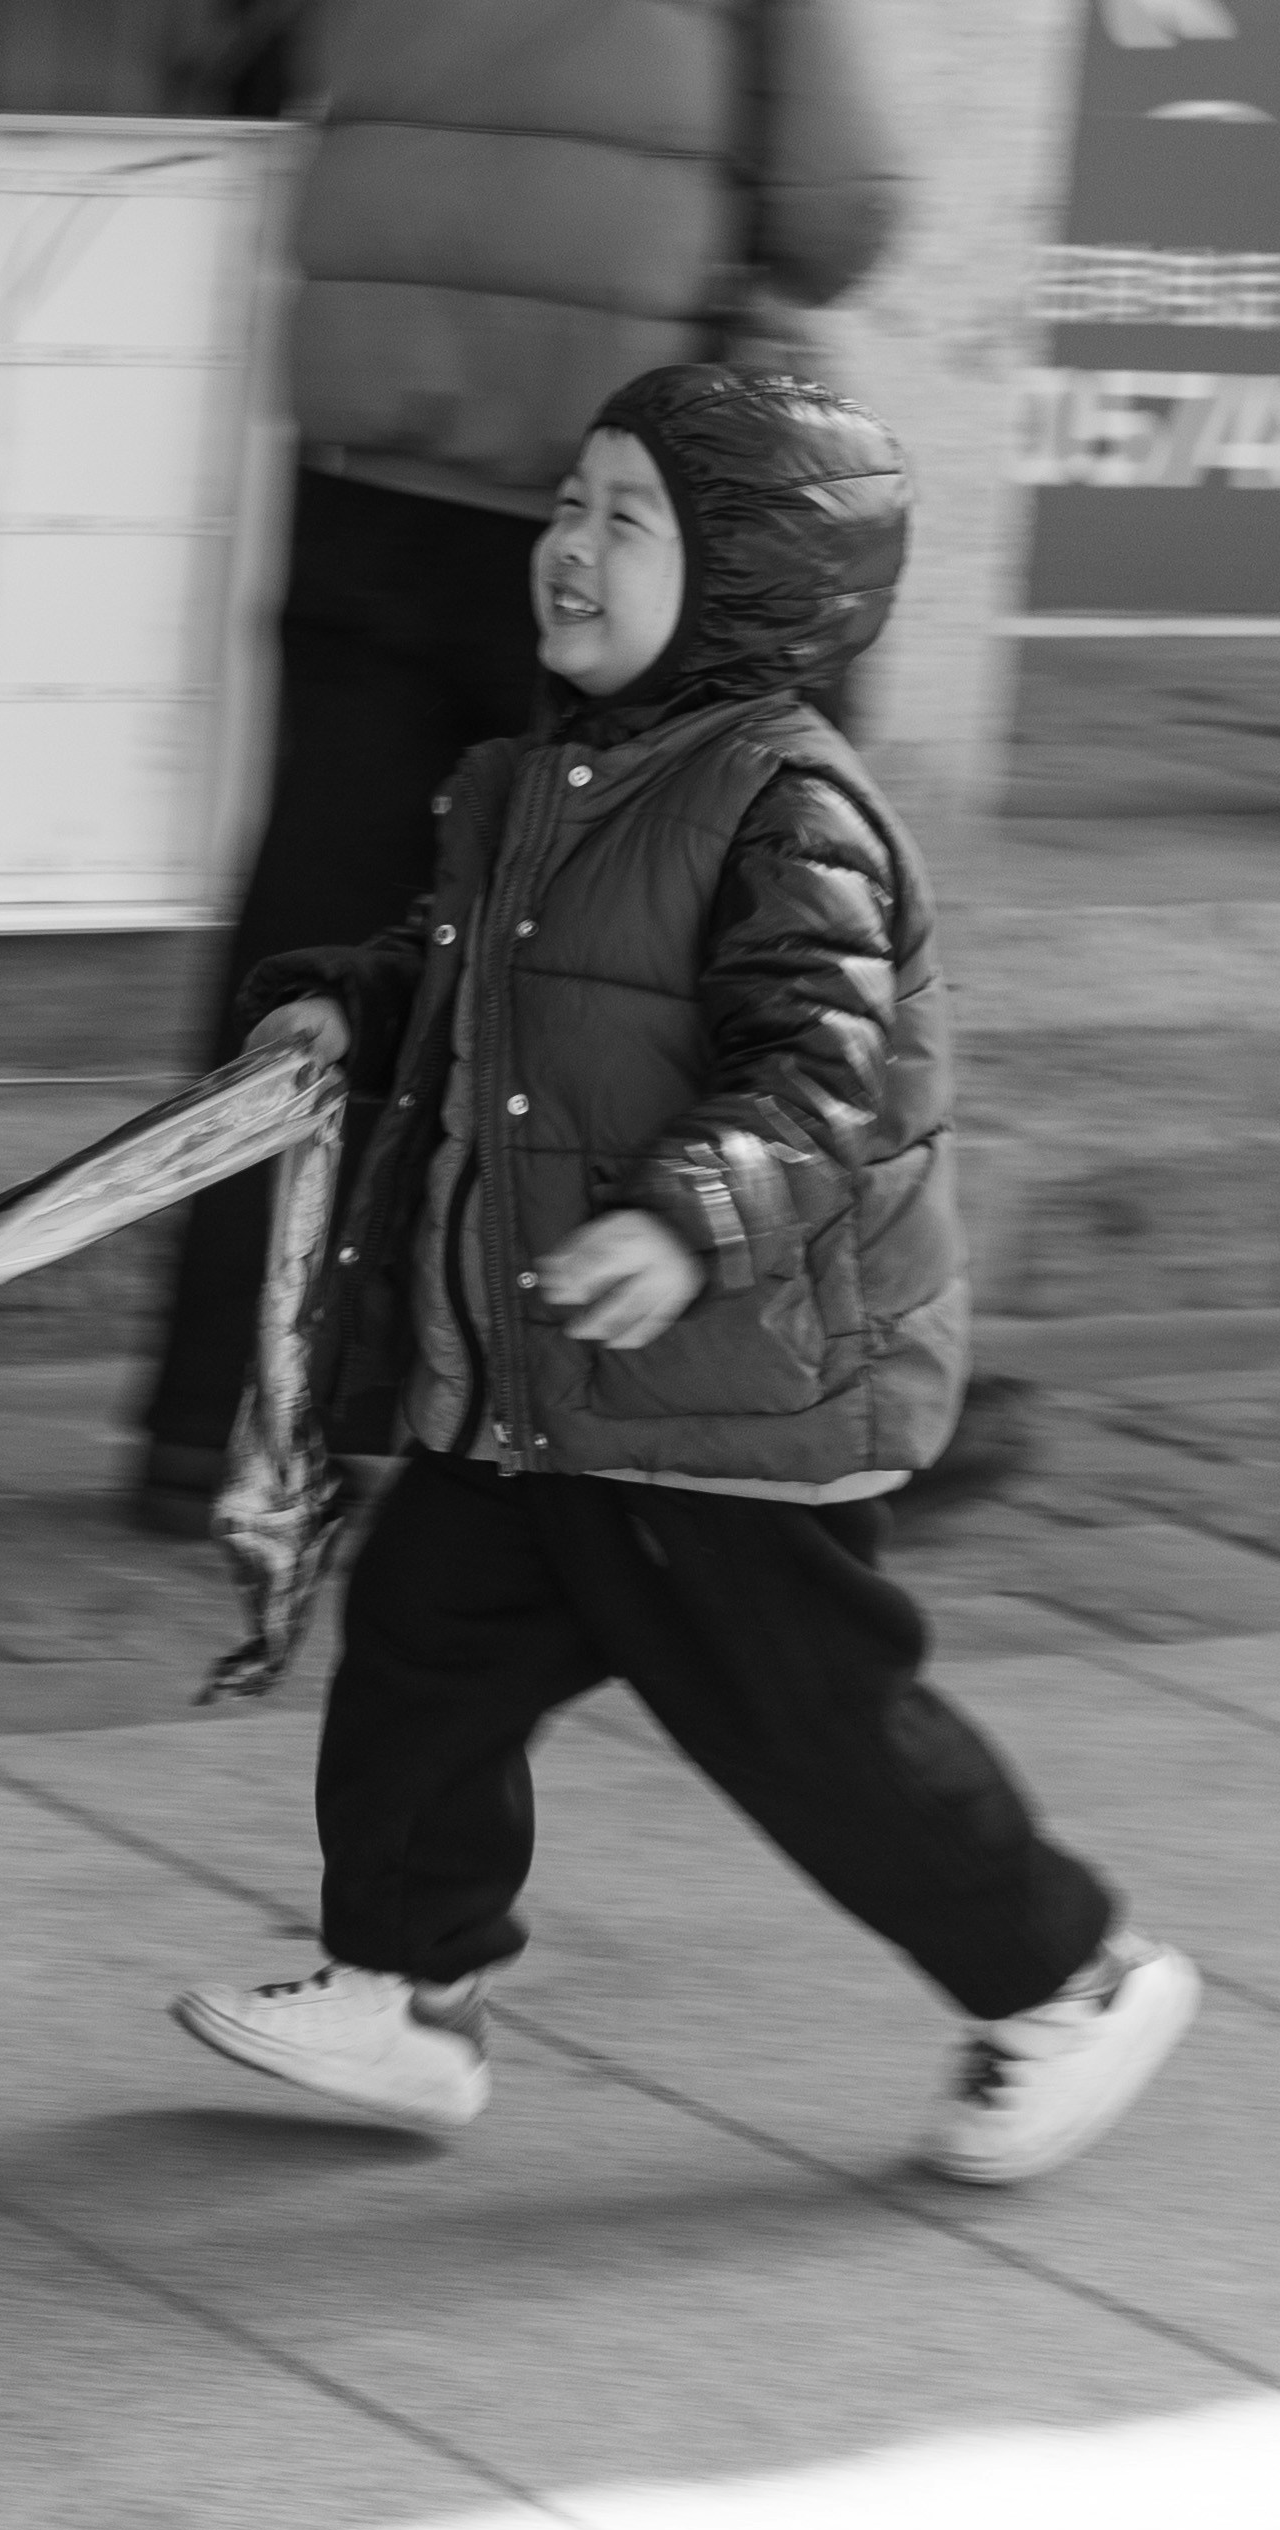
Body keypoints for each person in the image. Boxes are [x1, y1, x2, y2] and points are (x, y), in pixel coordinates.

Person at [162, 365, 1204, 2186]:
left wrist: (682, 1219)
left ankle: (1063, 1975)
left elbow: (820, 1066)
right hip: (555, 1382)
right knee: (421, 1650)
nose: (564, 548)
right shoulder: (526, 779)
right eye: (565, 504)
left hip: (725, 1389)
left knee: (808, 1725)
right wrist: (349, 995)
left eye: (623, 519)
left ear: (742, 579)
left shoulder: (785, 807)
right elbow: (460, 967)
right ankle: (407, 1990)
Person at [129, 0, 909, 1535]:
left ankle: (222, 1412)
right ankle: (744, 1418)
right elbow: (843, 211)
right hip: (628, 539)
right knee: (724, 959)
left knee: (317, 965)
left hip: (374, 480)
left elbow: (275, 68)